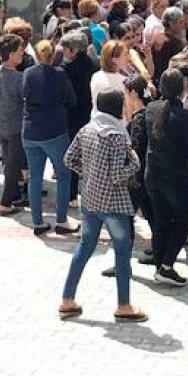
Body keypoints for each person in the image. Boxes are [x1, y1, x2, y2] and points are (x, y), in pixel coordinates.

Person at [58, 90, 148, 324]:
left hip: (90, 200)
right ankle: (124, 305)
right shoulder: (116, 137)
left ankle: (67, 299)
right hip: (114, 204)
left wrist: (89, 174)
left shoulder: (87, 129)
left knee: (85, 247)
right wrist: (135, 162)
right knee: (122, 251)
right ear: (117, 108)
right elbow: (118, 175)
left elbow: (69, 159)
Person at [144, 68, 188, 286]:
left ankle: (161, 265)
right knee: (185, 219)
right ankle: (166, 265)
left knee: (161, 220)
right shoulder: (184, 117)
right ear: (182, 88)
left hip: (153, 174)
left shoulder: (151, 109)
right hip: (175, 178)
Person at [22, 39, 78, 235]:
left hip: (30, 129)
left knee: (35, 178)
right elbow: (72, 100)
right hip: (54, 129)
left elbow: (23, 94)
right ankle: (61, 220)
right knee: (63, 174)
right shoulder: (59, 74)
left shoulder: (28, 73)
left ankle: (37, 222)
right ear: (53, 55)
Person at [0, 34, 28, 217]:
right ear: (11, 54)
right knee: (13, 166)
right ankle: (5, 203)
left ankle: (14, 195)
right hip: (16, 126)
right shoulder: (19, 78)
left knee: (8, 162)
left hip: (1, 123)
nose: (23, 54)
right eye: (20, 51)